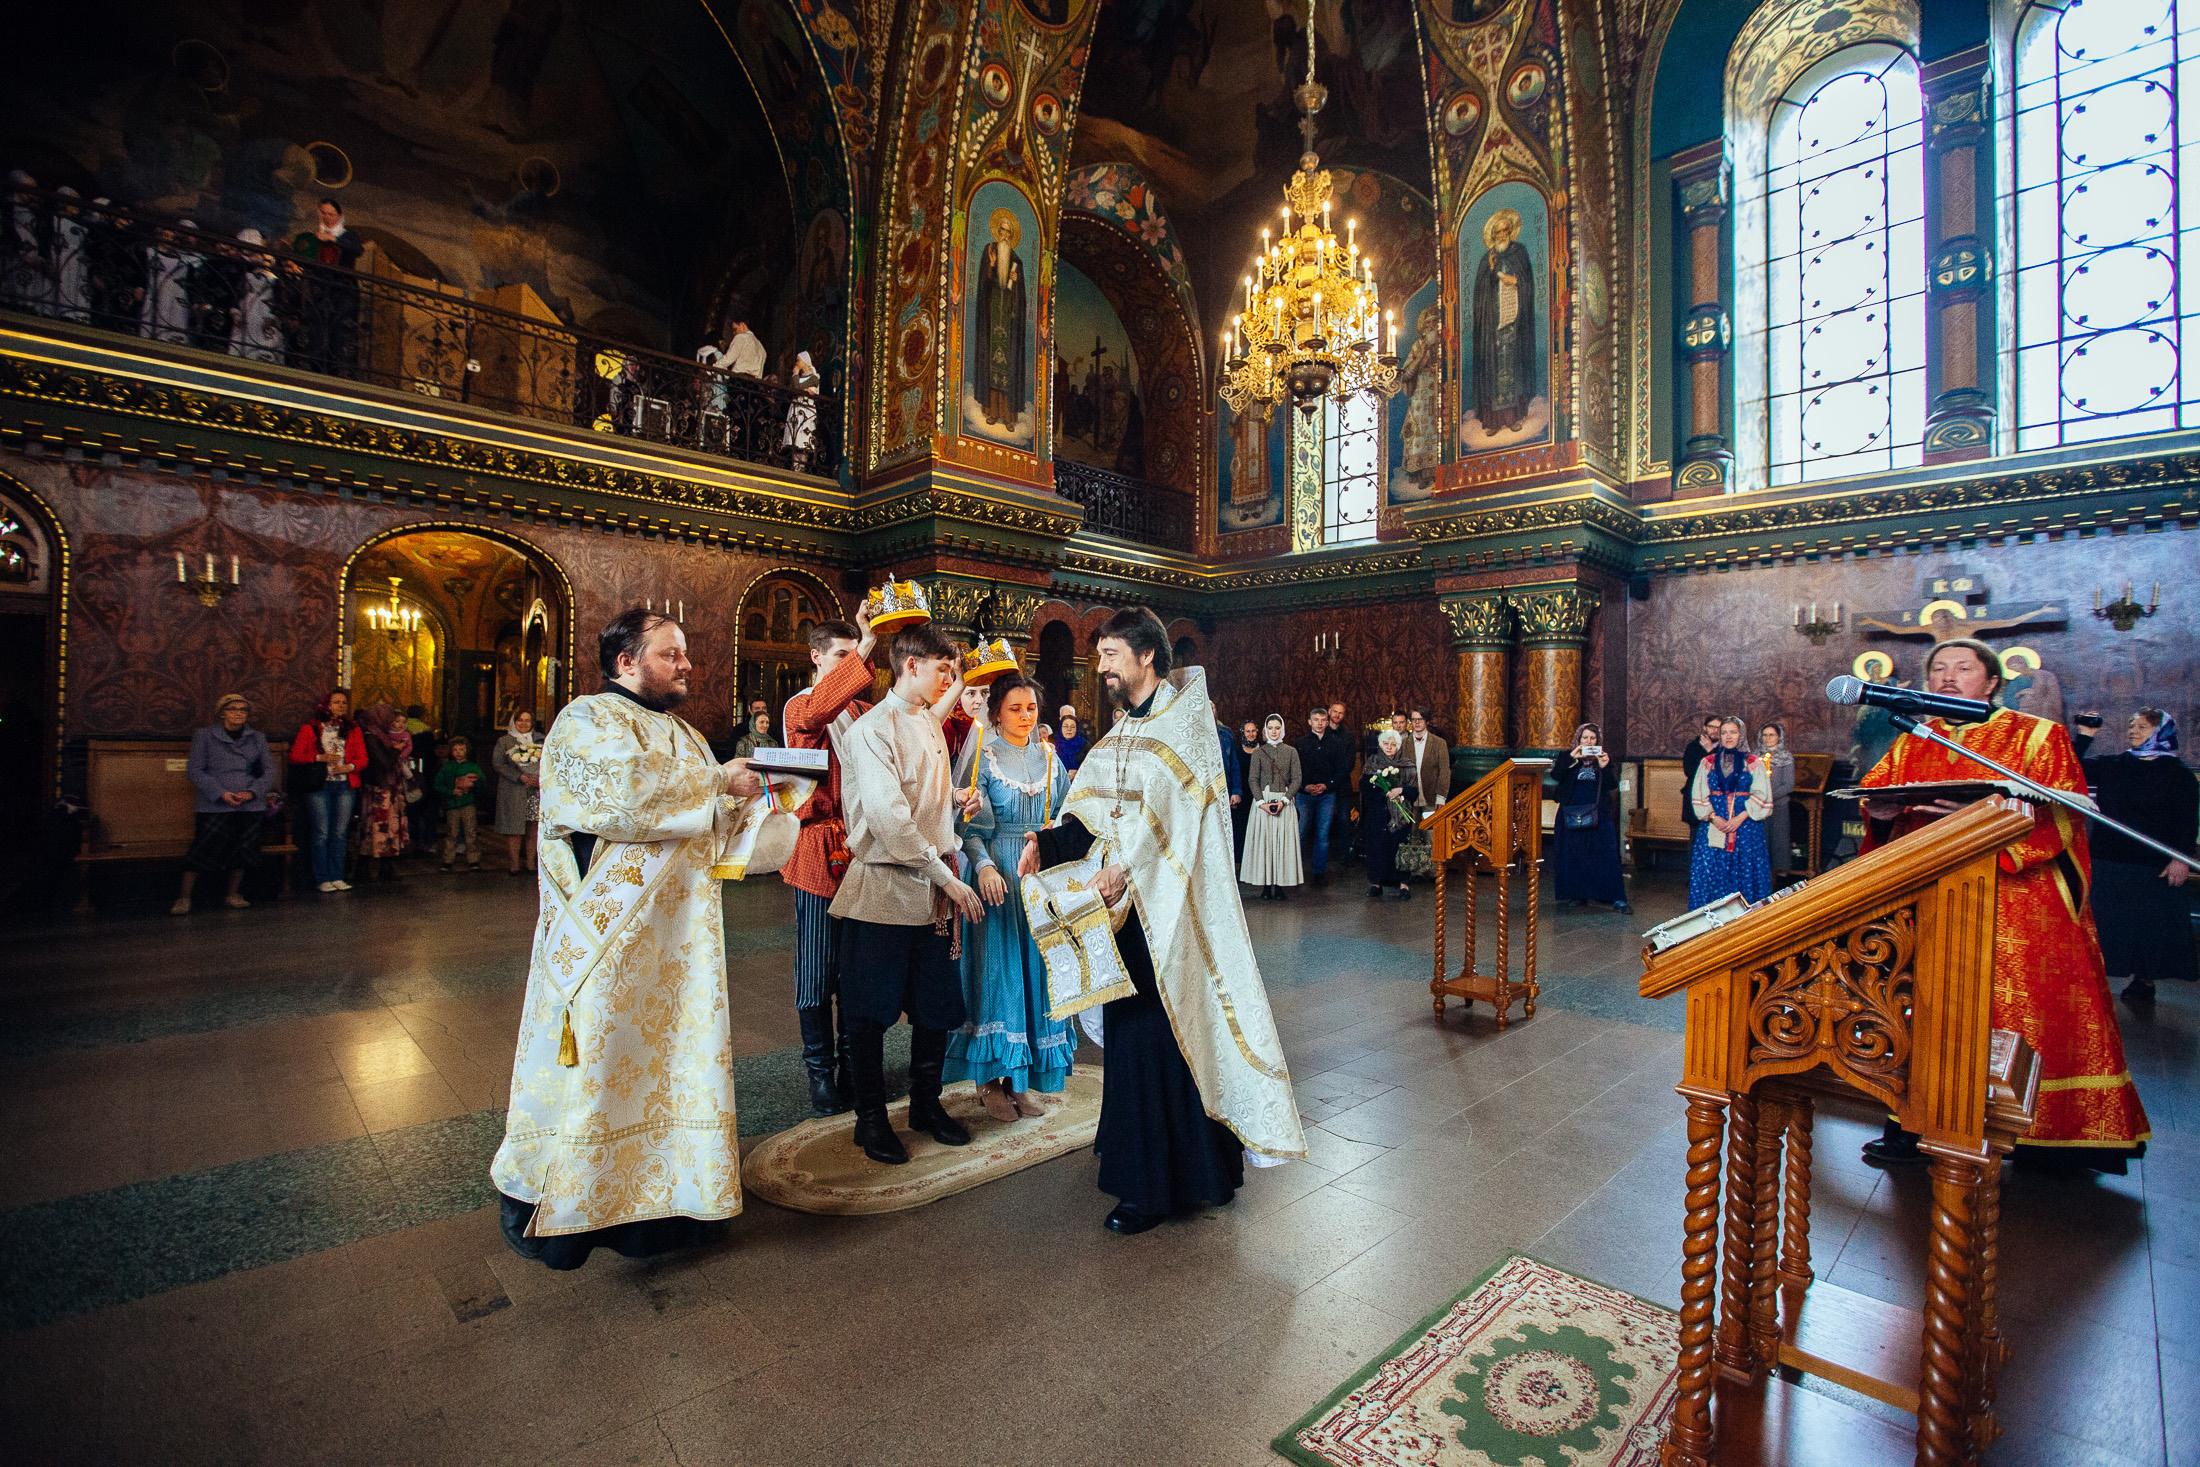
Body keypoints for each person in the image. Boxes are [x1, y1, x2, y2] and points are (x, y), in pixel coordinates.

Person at [492, 608, 768, 1269]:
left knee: (678, 1072)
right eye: (670, 653)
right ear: (626, 662)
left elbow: (711, 825)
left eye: (684, 654)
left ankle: (674, 1209)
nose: (686, 664)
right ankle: (569, 1216)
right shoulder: (586, 720)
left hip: (681, 957)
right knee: (600, 1071)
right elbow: (615, 791)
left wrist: (759, 800)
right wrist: (716, 783)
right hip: (609, 951)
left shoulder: (687, 734)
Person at [1019, 608, 1306, 1233]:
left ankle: (1157, 1187)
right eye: (1099, 656)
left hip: (1172, 910)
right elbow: (1093, 808)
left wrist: (1127, 865)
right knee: (1134, 1034)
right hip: (1123, 911)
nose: (1101, 668)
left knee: (1161, 1033)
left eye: (1111, 655)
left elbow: (1179, 818)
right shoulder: (1121, 734)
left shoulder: (1189, 728)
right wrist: (1047, 841)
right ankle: (1163, 1166)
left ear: (1146, 656)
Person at [1860, 638, 2150, 1174]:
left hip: (2019, 901)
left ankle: (2049, 1136)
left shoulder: (2039, 735)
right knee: (1925, 1011)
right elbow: (1877, 800)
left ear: (1992, 681)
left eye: (1963, 668)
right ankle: (1914, 1123)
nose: (1948, 677)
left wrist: (1991, 822)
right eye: (1938, 669)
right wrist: (1879, 810)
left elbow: (2064, 817)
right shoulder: (1913, 741)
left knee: (2028, 1015)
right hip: (1936, 896)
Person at [831, 623, 987, 1166]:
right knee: (869, 1013)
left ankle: (925, 1104)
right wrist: (948, 877)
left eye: (953, 670)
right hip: (883, 888)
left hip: (931, 893)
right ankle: (870, 1120)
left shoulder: (924, 719)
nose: (951, 681)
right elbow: (891, 823)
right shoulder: (872, 730)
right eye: (943, 669)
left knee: (935, 1007)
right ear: (910, 666)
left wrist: (954, 803)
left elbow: (922, 796)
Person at [948, 673, 1076, 1122]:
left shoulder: (1048, 757)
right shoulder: (984, 756)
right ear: (996, 712)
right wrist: (982, 866)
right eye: (1016, 708)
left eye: (1032, 709)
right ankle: (988, 1080)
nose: (1026, 716)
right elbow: (965, 824)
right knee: (997, 974)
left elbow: (1064, 812)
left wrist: (1053, 850)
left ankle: (1019, 1081)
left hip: (1037, 875)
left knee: (1035, 975)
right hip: (997, 871)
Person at [780, 608, 880, 1116]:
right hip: (818, 849)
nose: (850, 666)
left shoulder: (861, 712)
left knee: (856, 968)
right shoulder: (800, 706)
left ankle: (852, 1066)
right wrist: (865, 646)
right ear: (815, 658)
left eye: (855, 656)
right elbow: (817, 713)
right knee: (816, 968)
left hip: (862, 848)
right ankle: (819, 1074)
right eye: (841, 656)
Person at [2074, 707, 2197, 1004]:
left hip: (2152, 864)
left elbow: (2187, 821)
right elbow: (2067, 766)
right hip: (2109, 858)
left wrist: (2180, 859)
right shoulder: (2113, 765)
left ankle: (2143, 980)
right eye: (2131, 725)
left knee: (2146, 928)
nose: (2133, 730)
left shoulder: (2179, 776)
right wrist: (2084, 736)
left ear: (2162, 732)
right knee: (2103, 924)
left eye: (2142, 727)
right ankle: (2091, 983)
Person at [174, 693, 274, 914]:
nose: (239, 713)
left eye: (243, 710)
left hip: (248, 804)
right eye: (233, 709)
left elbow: (269, 771)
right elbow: (195, 770)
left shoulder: (257, 737)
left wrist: (252, 792)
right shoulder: (205, 736)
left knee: (242, 850)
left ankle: (233, 894)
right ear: (222, 713)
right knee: (201, 851)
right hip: (215, 804)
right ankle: (184, 898)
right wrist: (220, 793)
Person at [1689, 715, 1771, 907]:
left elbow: (1762, 794)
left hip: (1746, 828)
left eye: (1733, 732)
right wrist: (1714, 818)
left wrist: (1740, 817)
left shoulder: (1753, 762)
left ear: (1740, 734)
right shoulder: (1707, 762)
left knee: (1746, 868)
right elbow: (1699, 793)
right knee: (1710, 871)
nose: (1728, 736)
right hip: (1714, 825)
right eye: (1724, 732)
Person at [289, 689, 365, 894]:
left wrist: (349, 767)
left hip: (344, 785)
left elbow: (363, 759)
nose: (341, 706)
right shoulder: (311, 728)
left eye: (344, 703)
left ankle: (337, 876)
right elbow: (295, 756)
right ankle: (322, 878)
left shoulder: (353, 730)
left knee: (340, 834)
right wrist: (318, 758)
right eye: (337, 702)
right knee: (321, 832)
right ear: (326, 705)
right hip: (319, 785)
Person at [1551, 722, 1629, 912]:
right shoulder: (1567, 757)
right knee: (1575, 855)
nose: (1588, 741)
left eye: (1592, 738)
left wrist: (1604, 766)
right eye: (1585, 738)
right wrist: (1573, 759)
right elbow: (1556, 775)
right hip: (1571, 814)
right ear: (1578, 739)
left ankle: (1616, 898)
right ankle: (1578, 895)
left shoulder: (1603, 759)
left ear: (1598, 741)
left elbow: (1611, 785)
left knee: (1605, 855)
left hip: (1598, 814)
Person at [290, 198, 363, 375]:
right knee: (316, 329)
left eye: (331, 214)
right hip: (319, 292)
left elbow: (358, 250)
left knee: (339, 333)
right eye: (323, 213)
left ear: (339, 216)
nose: (327, 217)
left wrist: (333, 239)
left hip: (342, 292)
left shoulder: (347, 236)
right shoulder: (313, 237)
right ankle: (313, 367)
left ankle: (338, 370)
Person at [1242, 714, 1304, 901]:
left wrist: (1285, 800)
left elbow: (1297, 778)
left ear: (1282, 729)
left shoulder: (1291, 751)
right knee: (1266, 843)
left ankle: (1280, 884)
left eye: (1277, 728)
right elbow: (1253, 779)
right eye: (1270, 728)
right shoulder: (1259, 753)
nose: (1274, 731)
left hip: (1283, 800)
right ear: (1265, 730)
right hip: (1264, 802)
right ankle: (1266, 886)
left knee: (1282, 843)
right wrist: (1261, 802)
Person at [357, 703, 415, 880]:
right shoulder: (372, 737)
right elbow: (385, 764)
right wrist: (396, 751)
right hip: (378, 791)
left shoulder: (382, 736)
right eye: (388, 717)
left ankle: (385, 867)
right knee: (373, 828)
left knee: (387, 828)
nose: (391, 721)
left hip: (387, 790)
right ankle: (365, 869)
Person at [1361, 728, 1416, 901]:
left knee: (1399, 847)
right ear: (1380, 744)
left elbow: (1414, 790)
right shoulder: (1372, 762)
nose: (1389, 747)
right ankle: (1376, 884)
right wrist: (1383, 791)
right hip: (1377, 813)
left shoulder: (1407, 764)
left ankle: (1404, 885)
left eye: (1393, 744)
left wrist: (1401, 790)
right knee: (1376, 848)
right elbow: (1364, 787)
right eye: (1386, 744)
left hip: (1400, 815)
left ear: (1398, 746)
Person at [492, 711, 543, 878]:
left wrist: (539, 777)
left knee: (533, 826)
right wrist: (520, 776)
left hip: (535, 790)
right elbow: (498, 764)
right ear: (514, 722)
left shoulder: (541, 739)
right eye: (520, 720)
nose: (524, 723)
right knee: (514, 828)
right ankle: (514, 864)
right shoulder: (504, 741)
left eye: (528, 720)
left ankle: (530, 863)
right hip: (514, 789)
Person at [1294, 707, 1342, 885]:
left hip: (1326, 795)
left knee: (1322, 835)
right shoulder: (1300, 743)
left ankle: (1319, 872)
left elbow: (1341, 770)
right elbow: (1295, 769)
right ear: (1309, 722)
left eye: (1323, 720)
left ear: (1327, 722)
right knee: (1300, 833)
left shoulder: (1335, 743)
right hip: (1304, 794)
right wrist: (1303, 786)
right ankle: (1295, 871)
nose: (1319, 723)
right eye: (1316, 719)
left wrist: (1327, 785)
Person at [436, 737, 485, 871]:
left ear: (467, 750)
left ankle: (473, 859)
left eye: (461, 749)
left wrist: (476, 782)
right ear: (451, 751)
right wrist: (451, 791)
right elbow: (438, 785)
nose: (458, 752)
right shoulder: (447, 768)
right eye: (455, 750)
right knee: (452, 832)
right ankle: (448, 859)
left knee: (471, 831)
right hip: (452, 804)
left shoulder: (473, 767)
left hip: (468, 802)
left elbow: (482, 785)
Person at [1759, 721, 1797, 875]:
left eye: (1772, 735)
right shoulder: (1755, 756)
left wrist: (1769, 797)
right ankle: (1761, 871)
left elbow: (1788, 785)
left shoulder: (1786, 757)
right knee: (1762, 839)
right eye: (1765, 735)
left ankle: (1780, 875)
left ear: (1779, 737)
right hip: (1758, 805)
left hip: (1778, 805)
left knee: (1779, 839)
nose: (1768, 738)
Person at [1680, 715, 1719, 834]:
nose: (1715, 730)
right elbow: (1690, 771)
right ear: (1705, 728)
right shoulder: (1693, 746)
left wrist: (1710, 751)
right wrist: (1709, 752)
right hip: (1695, 796)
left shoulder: (1724, 749)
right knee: (1695, 837)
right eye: (1712, 727)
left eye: (1719, 727)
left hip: (1715, 801)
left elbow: (1720, 772)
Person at [1408, 707, 1450, 816]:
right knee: (1412, 832)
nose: (1417, 722)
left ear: (1426, 721)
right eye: (1413, 719)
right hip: (1410, 798)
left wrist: (1441, 796)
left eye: (1420, 719)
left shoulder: (1439, 743)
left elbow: (1444, 771)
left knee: (1430, 832)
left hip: (1431, 798)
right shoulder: (1404, 743)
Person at [783, 350, 820, 470]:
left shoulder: (814, 378)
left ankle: (801, 468)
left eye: (799, 360)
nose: (797, 363)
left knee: (803, 439)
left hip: (805, 409)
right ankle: (796, 467)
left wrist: (795, 375)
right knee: (795, 440)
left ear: (804, 361)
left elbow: (797, 388)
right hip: (797, 407)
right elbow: (796, 389)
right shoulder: (799, 377)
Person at [1233, 719, 1260, 862]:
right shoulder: (1237, 750)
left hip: (1259, 795)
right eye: (1248, 731)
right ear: (1243, 733)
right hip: (1242, 795)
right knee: (1241, 828)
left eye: (1253, 731)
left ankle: (1257, 860)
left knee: (1258, 828)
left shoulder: (1263, 750)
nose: (1251, 734)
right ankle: (1242, 862)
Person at [945, 679, 989, 761]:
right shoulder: (947, 728)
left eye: (985, 692)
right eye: (971, 693)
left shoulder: (1000, 727)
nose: (980, 701)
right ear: (958, 697)